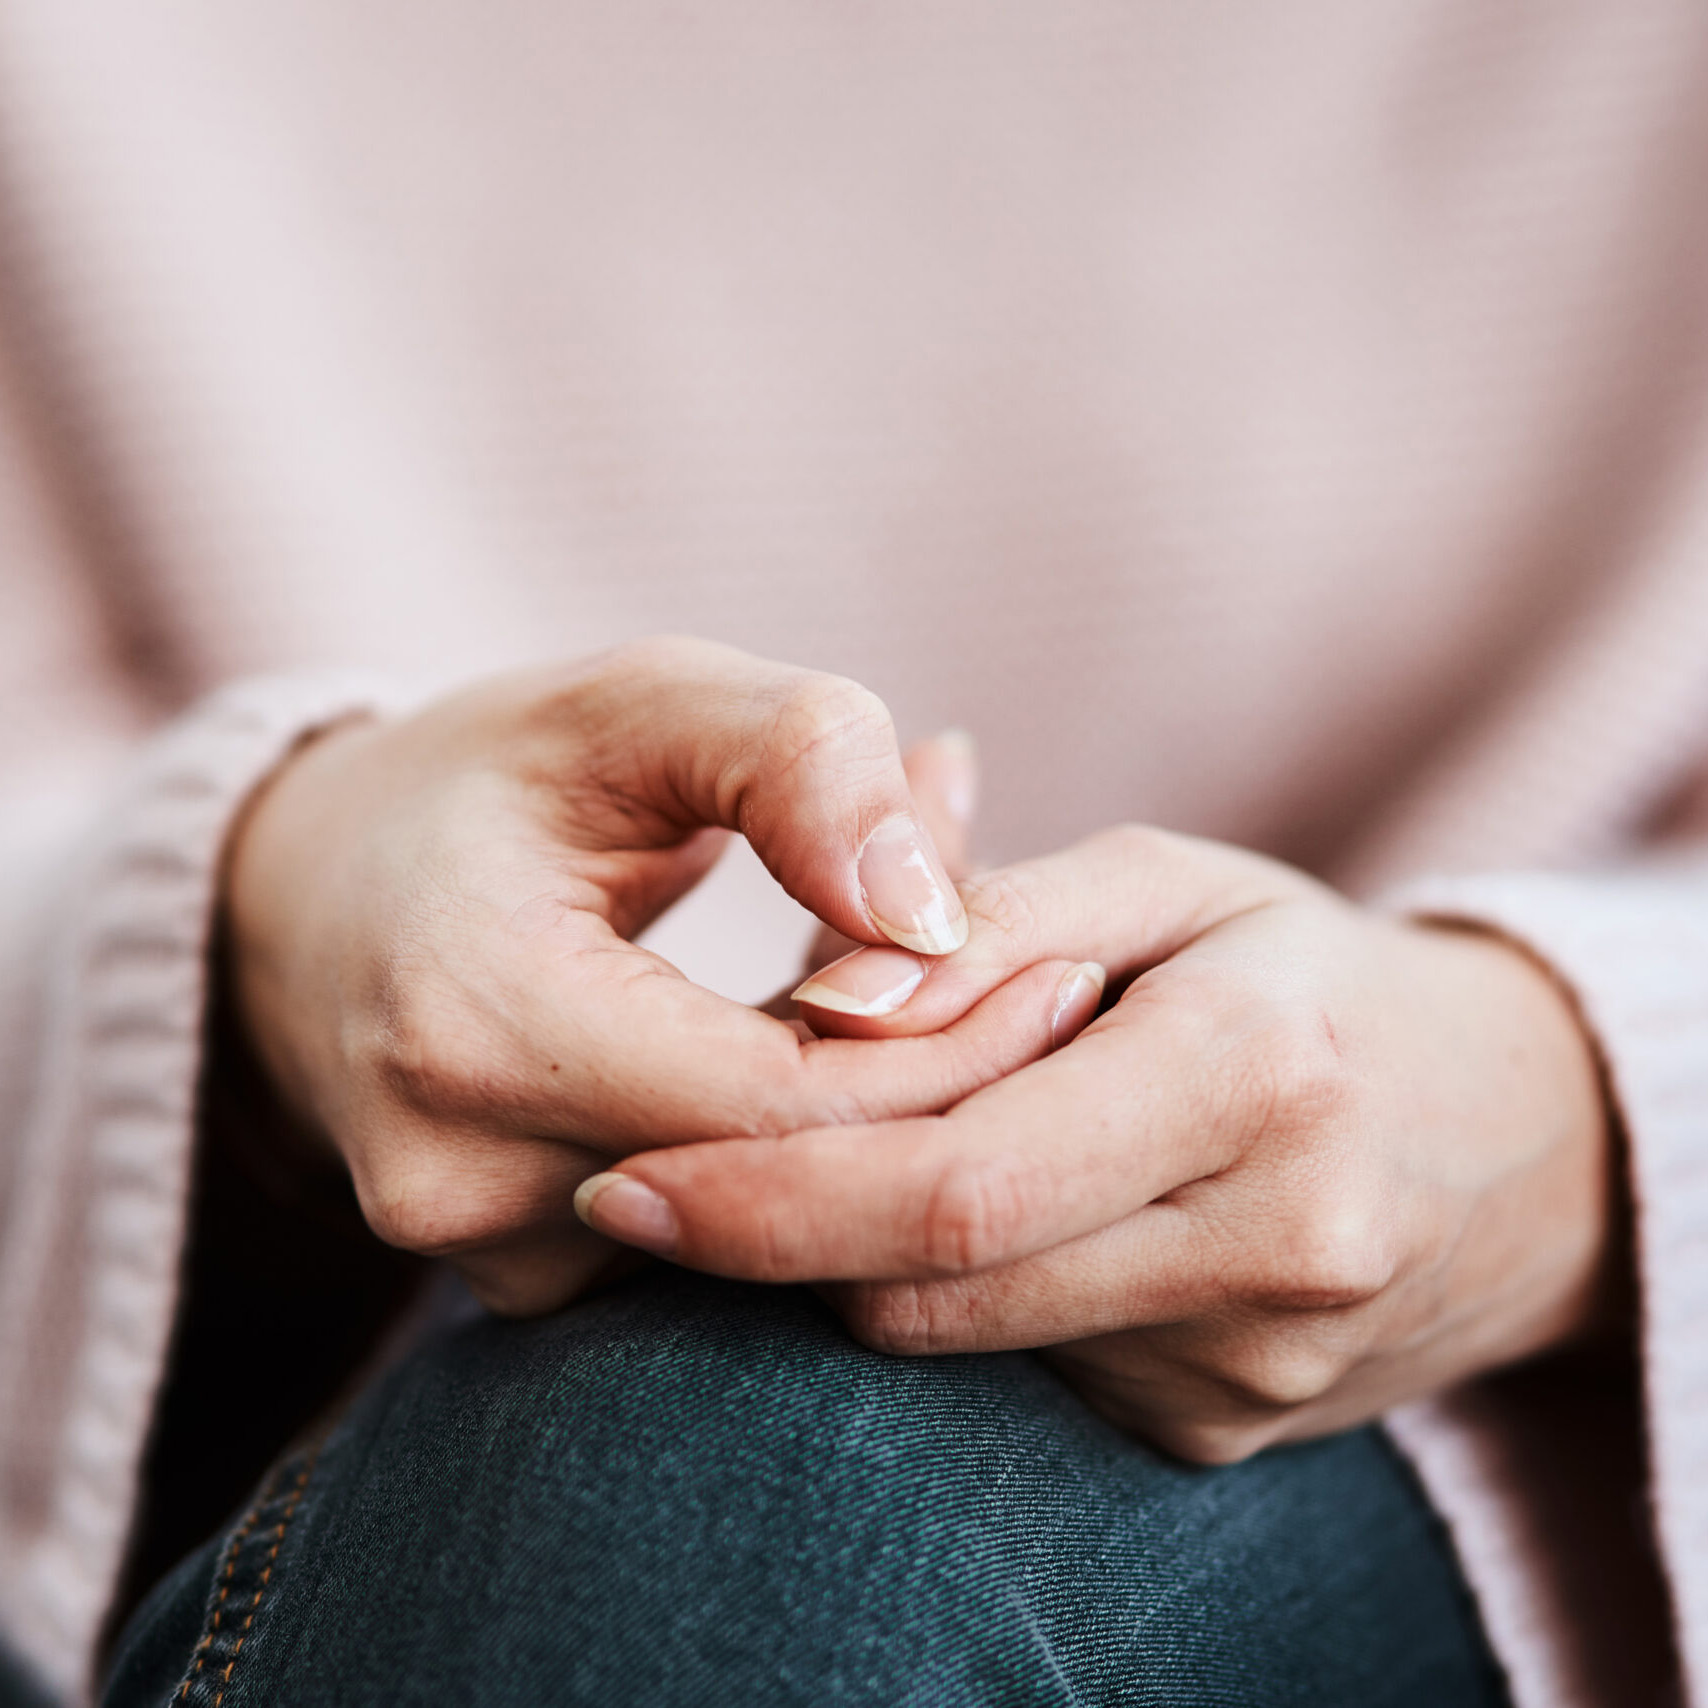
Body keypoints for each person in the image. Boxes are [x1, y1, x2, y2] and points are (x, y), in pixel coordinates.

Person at [0, 4, 1703, 1704]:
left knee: (729, 1466)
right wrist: (265, 902)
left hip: (1531, 1434)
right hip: (181, 1367)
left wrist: (1560, 1102)